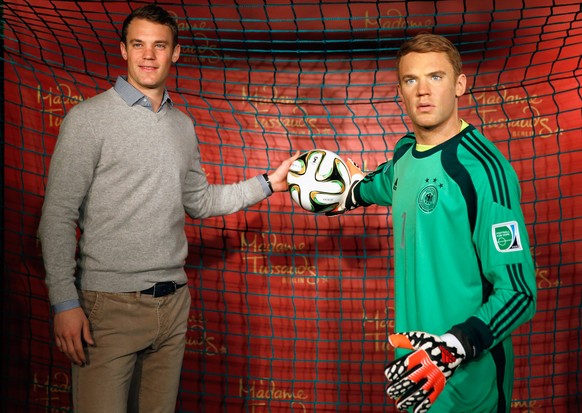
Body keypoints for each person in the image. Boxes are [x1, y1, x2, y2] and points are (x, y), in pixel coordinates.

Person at [38, 5, 298, 413]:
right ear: (123, 49)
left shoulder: (183, 125)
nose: (148, 55)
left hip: (174, 307)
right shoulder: (87, 119)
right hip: (108, 307)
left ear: (174, 53)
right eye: (138, 44)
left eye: (159, 45)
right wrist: (65, 303)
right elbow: (56, 216)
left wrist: (269, 184)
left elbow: (201, 201)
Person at [330, 33, 536, 412]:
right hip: (416, 368)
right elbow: (385, 182)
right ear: (401, 90)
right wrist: (349, 192)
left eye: (436, 77)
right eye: (412, 80)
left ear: (459, 84)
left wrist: (455, 346)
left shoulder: (484, 171)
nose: (423, 91)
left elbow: (519, 292)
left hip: (468, 377)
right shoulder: (405, 153)